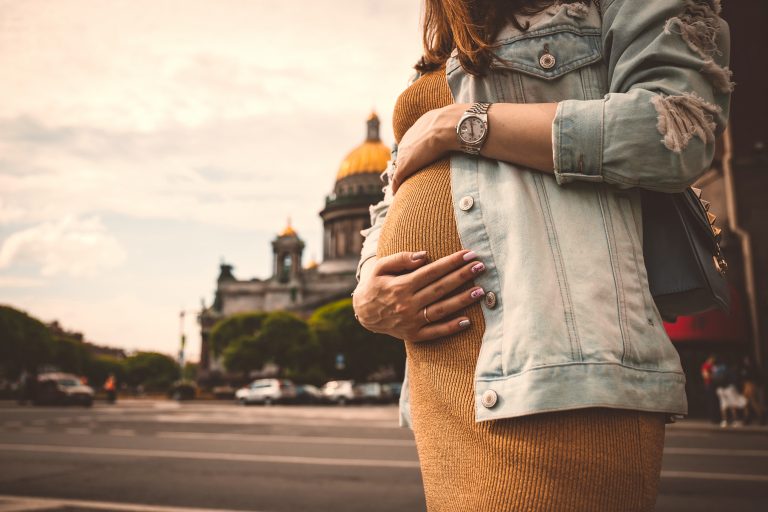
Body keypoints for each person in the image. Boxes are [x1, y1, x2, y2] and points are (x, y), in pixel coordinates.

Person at [352, 0, 732, 510]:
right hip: (443, 375)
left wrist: (463, 124)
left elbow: (675, 130)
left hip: (560, 373)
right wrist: (368, 285)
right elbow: (395, 185)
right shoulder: (456, 25)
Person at [739, 355, 765, 425]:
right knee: (746, 403)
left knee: (753, 402)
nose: (745, 361)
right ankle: (747, 419)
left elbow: (750, 378)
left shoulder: (751, 368)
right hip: (747, 385)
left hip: (750, 385)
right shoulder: (748, 368)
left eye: (747, 360)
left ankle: (761, 417)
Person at [701, 354, 720, 424]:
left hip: (713, 384)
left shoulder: (712, 366)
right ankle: (713, 418)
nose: (714, 361)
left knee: (715, 401)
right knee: (711, 401)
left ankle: (716, 417)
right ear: (710, 359)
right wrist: (715, 376)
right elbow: (705, 375)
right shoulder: (706, 365)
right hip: (709, 384)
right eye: (713, 359)